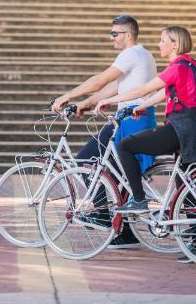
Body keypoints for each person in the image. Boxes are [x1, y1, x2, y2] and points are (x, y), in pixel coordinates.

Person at [96, 25, 196, 260]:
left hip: (180, 129)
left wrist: (110, 100)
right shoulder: (191, 65)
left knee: (125, 146)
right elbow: (165, 94)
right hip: (194, 132)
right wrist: (140, 107)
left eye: (163, 40)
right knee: (185, 184)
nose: (159, 44)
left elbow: (142, 89)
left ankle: (138, 200)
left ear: (175, 45)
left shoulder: (177, 67)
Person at [52, 14, 157, 249]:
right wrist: (85, 104)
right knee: (111, 171)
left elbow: (100, 81)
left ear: (128, 35)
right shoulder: (142, 54)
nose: (111, 38)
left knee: (99, 165)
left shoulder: (131, 53)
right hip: (129, 118)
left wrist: (68, 96)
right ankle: (122, 228)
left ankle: (102, 213)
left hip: (133, 119)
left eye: (114, 33)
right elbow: (111, 87)